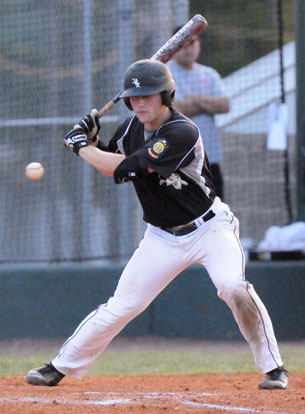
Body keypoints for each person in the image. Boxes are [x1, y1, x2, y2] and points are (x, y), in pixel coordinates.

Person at [26, 59, 288, 390]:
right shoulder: (129, 129)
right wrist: (91, 140)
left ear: (166, 95)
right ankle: (59, 367)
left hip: (209, 229)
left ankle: (274, 368)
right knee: (122, 306)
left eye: (147, 96)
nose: (139, 103)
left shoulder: (182, 132)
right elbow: (109, 158)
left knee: (232, 286)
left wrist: (79, 147)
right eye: (133, 98)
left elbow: (122, 169)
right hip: (161, 237)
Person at [167, 26, 230, 199]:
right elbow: (175, 109)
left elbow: (225, 105)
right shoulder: (166, 74)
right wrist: (207, 103)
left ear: (198, 45)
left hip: (210, 158)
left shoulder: (209, 74)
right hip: (180, 161)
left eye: (192, 44)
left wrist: (194, 99)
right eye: (182, 45)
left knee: (217, 211)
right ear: (174, 47)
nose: (188, 49)